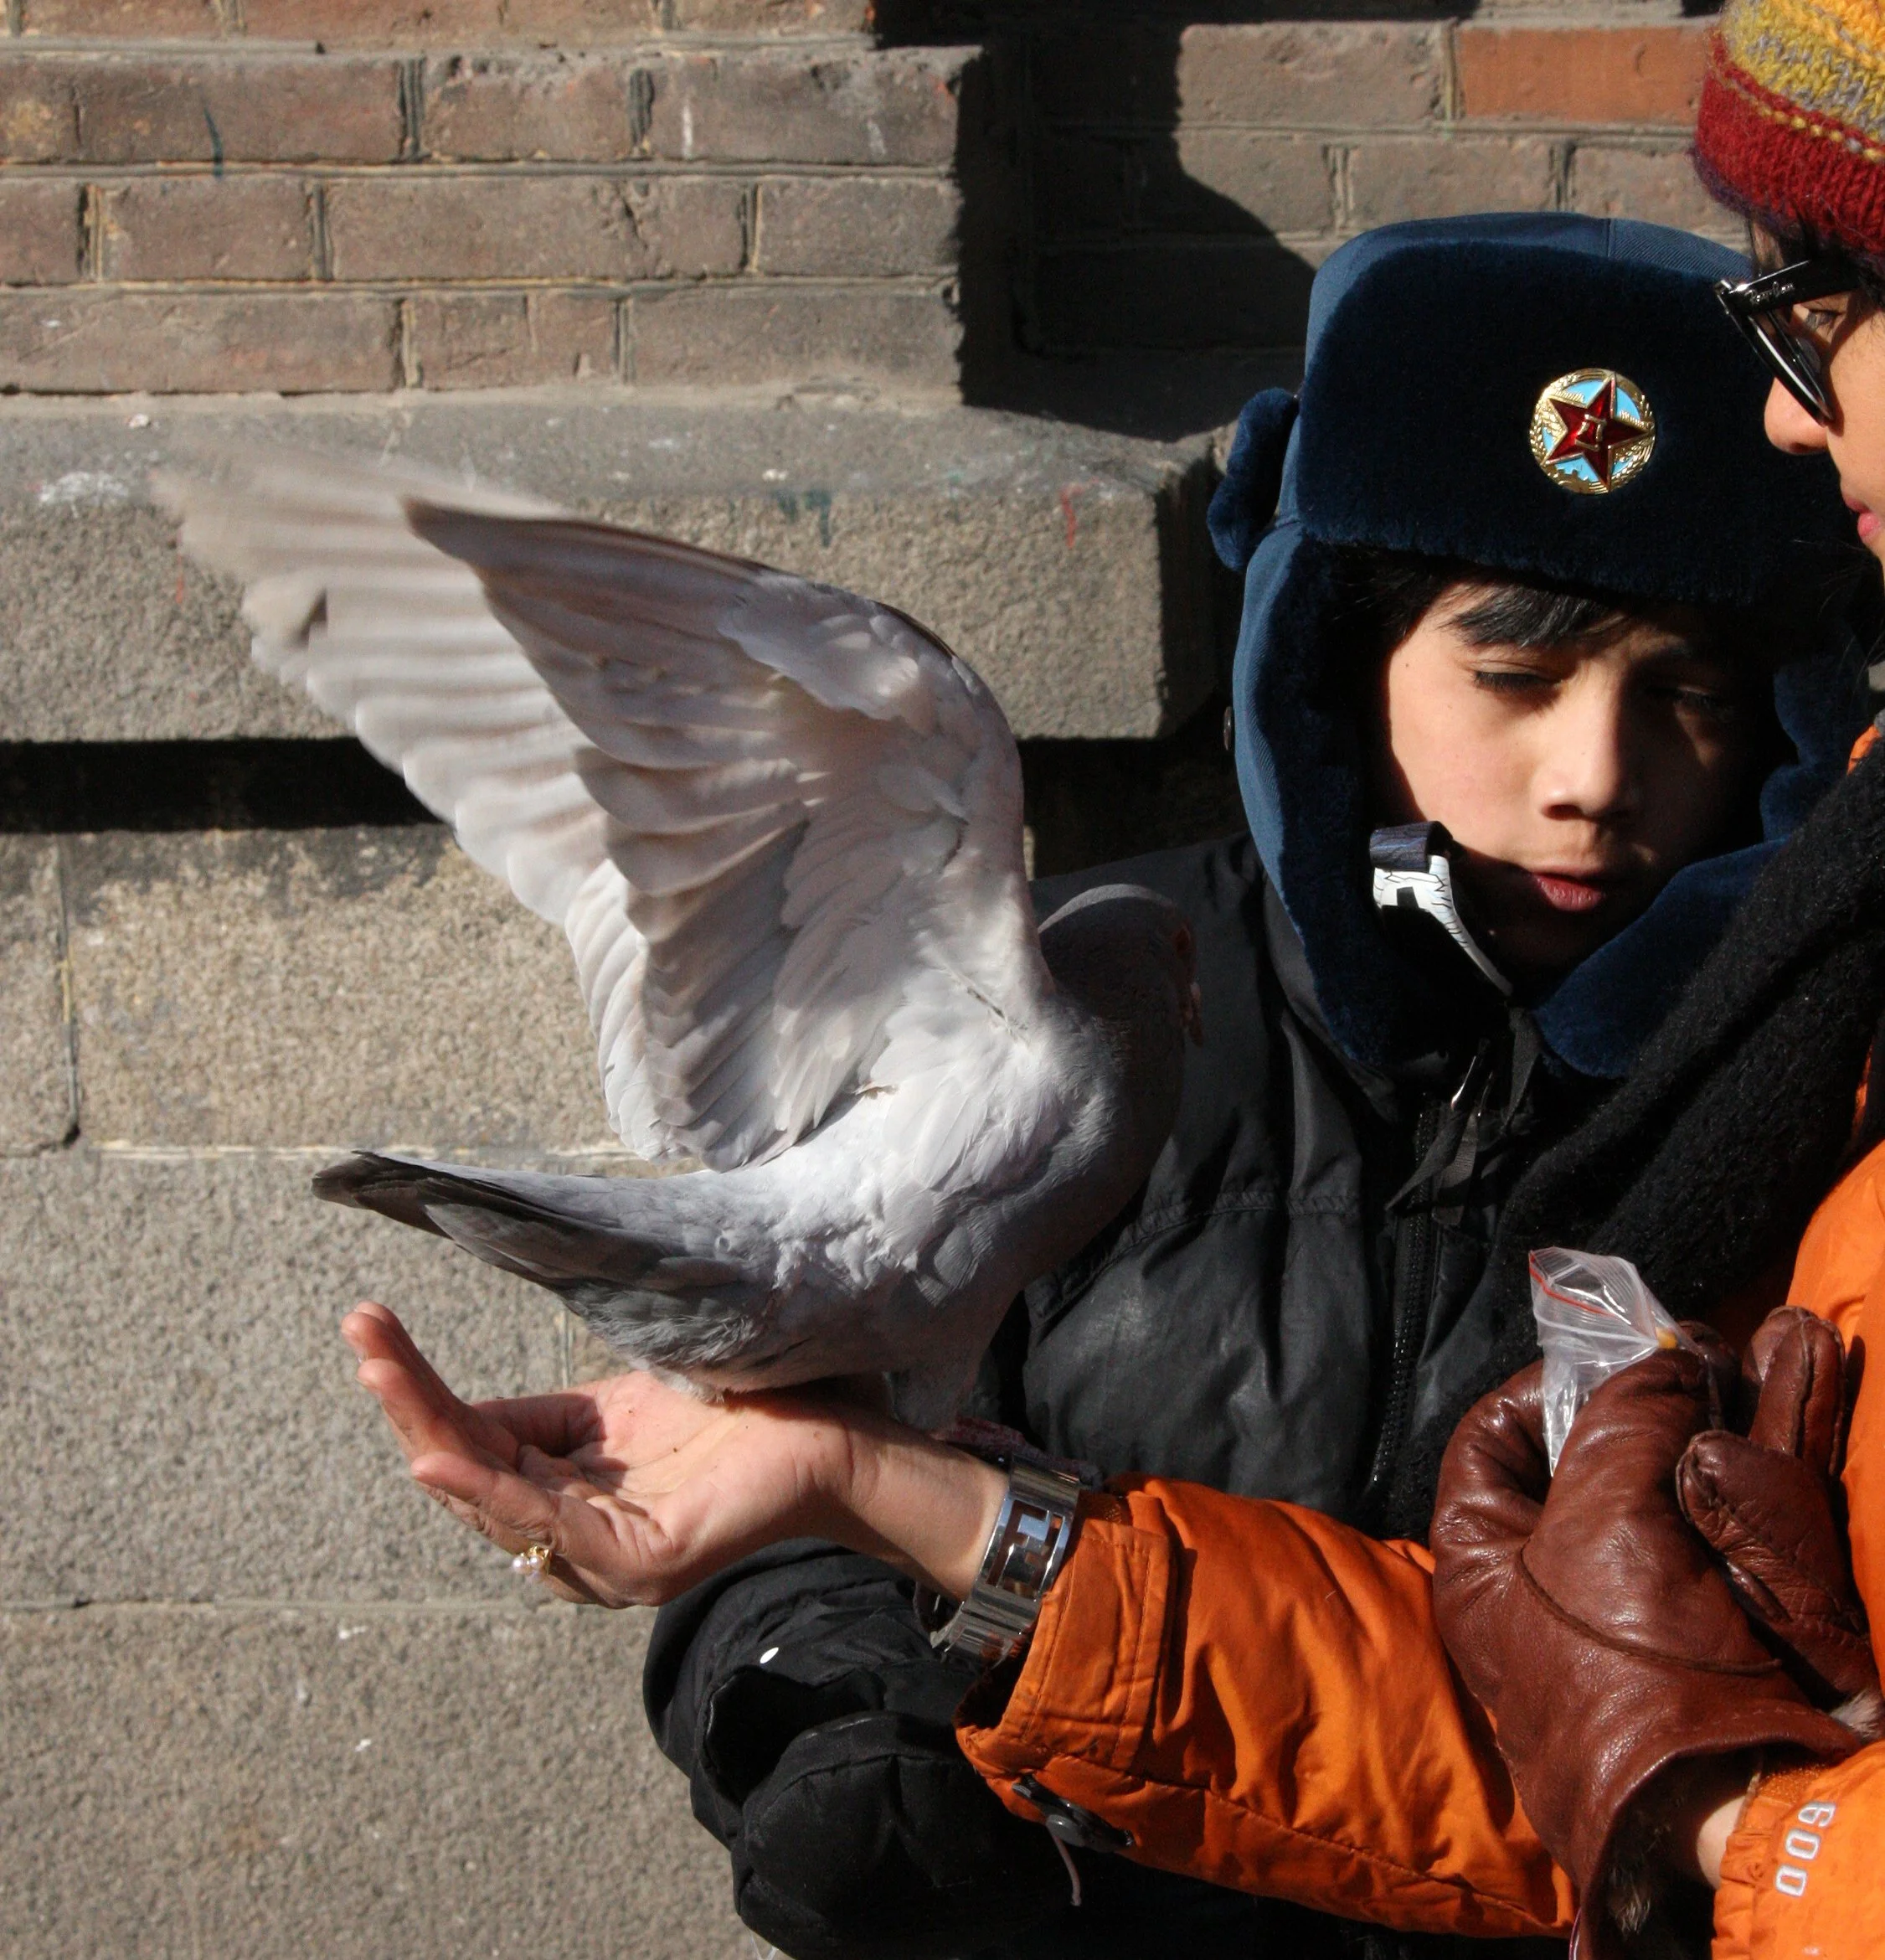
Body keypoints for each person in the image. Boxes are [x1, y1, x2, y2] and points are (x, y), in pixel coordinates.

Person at [344, 212, 1873, 1960]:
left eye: (1682, 695)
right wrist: (836, 1734)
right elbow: (803, 1475)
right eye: (1513, 678)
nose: (1595, 776)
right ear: (1336, 671)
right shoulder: (1082, 1011)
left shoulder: (1822, 1102)